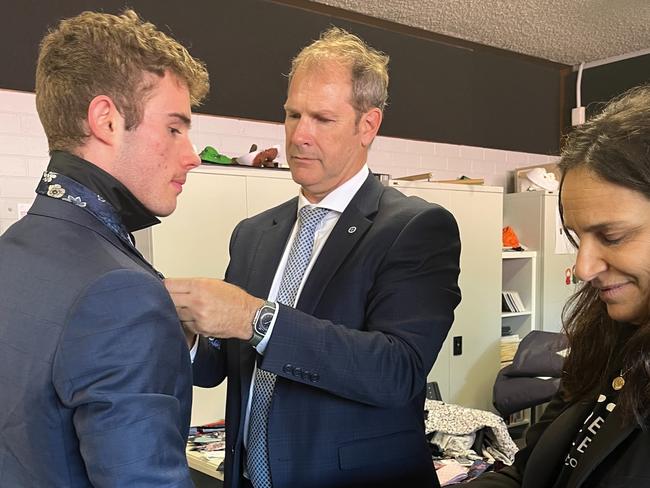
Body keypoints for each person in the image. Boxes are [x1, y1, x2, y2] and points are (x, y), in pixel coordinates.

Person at [165, 27, 461, 488]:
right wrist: (190, 331)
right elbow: (218, 368)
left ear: (368, 126)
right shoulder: (254, 234)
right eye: (292, 114)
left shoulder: (415, 228)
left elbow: (396, 372)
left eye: (322, 119)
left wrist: (255, 319)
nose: (299, 135)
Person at [0, 10, 208, 487]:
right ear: (107, 121)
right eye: (175, 128)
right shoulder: (122, 293)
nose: (192, 155)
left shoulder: (11, 250)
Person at [467, 85, 650, 488]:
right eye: (575, 236)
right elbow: (527, 472)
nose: (583, 268)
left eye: (613, 236)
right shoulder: (607, 339)